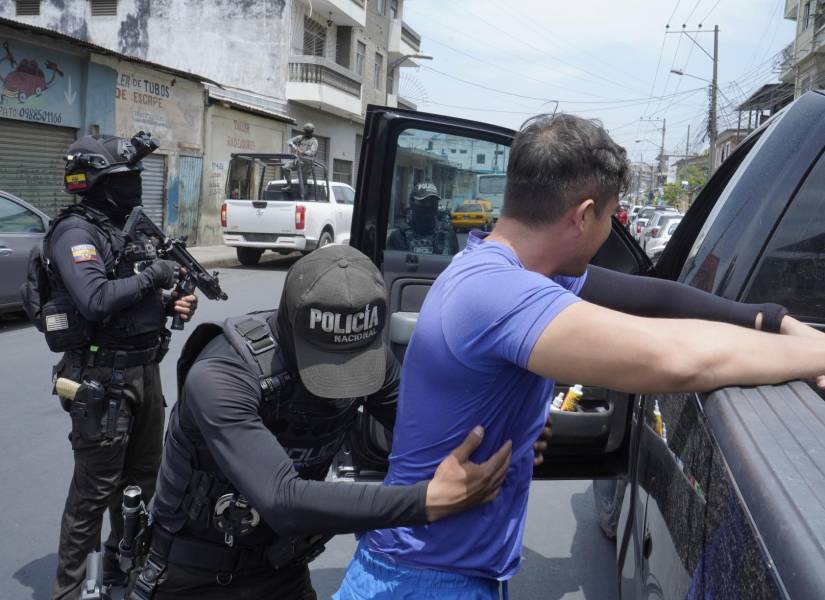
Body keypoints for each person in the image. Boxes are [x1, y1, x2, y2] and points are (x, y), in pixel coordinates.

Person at [334, 114, 825, 599]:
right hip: (423, 581)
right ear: (584, 214)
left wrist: (774, 319)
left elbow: (655, 299)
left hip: (438, 569)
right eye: (611, 217)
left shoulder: (513, 267)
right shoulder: (499, 291)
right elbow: (676, 359)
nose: (609, 230)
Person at [131, 244, 513, 599]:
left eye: (352, 361)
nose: (339, 384)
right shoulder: (221, 377)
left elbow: (429, 431)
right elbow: (283, 499)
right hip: (188, 578)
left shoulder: (374, 358)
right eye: (325, 361)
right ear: (289, 327)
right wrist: (426, 501)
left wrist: (504, 434)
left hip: (282, 568)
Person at [39, 133, 197, 599]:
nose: (133, 186)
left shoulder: (118, 230)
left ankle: (118, 574)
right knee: (94, 492)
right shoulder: (75, 233)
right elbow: (94, 299)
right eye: (123, 179)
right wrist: (154, 276)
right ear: (98, 183)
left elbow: (131, 296)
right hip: (100, 378)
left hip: (143, 371)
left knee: (141, 483)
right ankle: (69, 591)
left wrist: (169, 304)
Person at [387, 182, 459, 255]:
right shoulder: (399, 236)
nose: (428, 205)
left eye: (432, 201)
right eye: (422, 201)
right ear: (412, 202)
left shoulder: (448, 234)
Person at [282, 123, 319, 191]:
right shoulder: (300, 137)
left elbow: (312, 152)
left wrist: (303, 152)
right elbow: (289, 141)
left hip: (306, 163)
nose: (305, 133)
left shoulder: (314, 141)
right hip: (298, 160)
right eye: (305, 131)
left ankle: (303, 195)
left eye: (307, 132)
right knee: (285, 168)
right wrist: (294, 147)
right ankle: (289, 185)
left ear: (311, 132)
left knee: (302, 182)